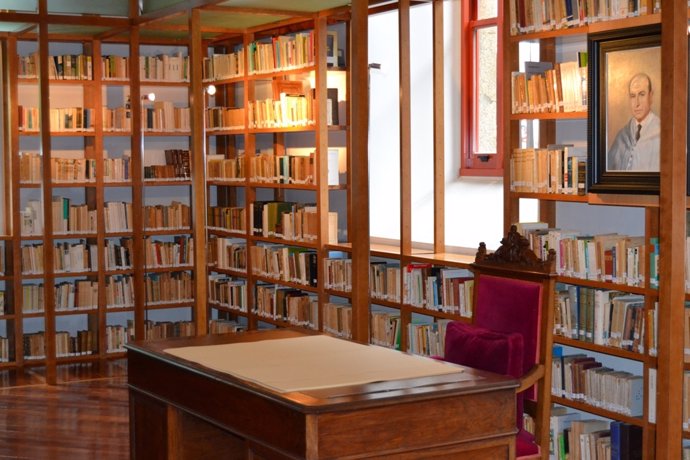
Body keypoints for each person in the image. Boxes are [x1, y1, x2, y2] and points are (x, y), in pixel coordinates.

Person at [606, 72, 660, 171]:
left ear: (651, 96)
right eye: (632, 96)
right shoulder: (622, 135)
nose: (637, 103)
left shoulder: (661, 133)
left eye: (642, 95)